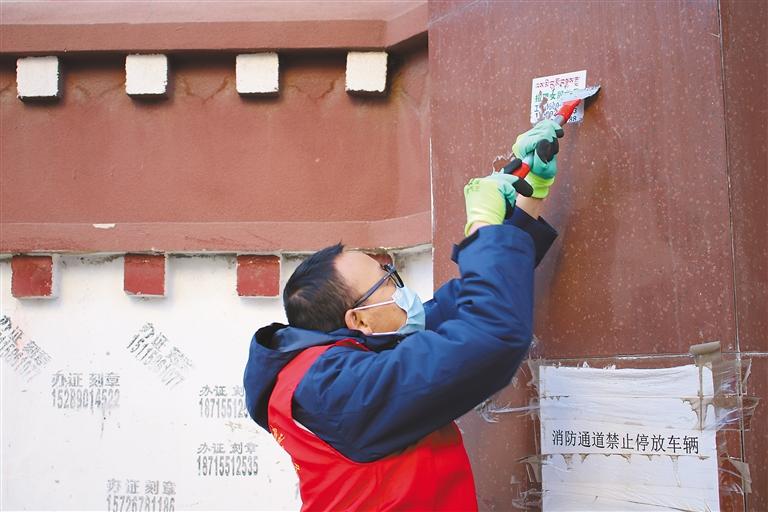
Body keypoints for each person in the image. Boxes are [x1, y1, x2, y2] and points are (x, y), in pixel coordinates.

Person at [243, 120, 564, 511]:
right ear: (359, 320)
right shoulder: (338, 389)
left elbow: (464, 306)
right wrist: (481, 226)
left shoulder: (339, 362)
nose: (401, 287)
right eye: (387, 280)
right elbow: (488, 334)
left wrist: (529, 196)